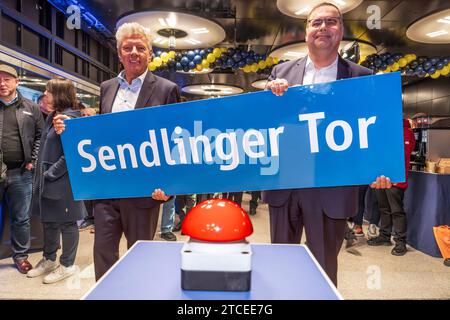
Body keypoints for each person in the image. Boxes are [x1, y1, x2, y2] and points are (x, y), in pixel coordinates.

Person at [262, 2, 391, 286]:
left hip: (331, 189)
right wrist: (268, 98)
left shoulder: (361, 78)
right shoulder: (280, 74)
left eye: (331, 22)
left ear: (341, 30)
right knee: (279, 267)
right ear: (306, 29)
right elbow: (263, 125)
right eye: (316, 22)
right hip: (285, 183)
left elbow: (373, 130)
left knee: (322, 271)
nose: (323, 28)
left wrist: (381, 168)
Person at [53, 22, 178, 281]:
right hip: (107, 190)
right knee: (103, 255)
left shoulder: (167, 89)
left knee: (140, 258)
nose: (134, 52)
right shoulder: (107, 87)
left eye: (140, 47)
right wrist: (70, 126)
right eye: (127, 47)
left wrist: (169, 186)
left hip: (144, 191)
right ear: (119, 54)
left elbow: (174, 142)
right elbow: (101, 133)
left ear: (150, 53)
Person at [26, 79, 86, 283]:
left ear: (59, 93)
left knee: (68, 223)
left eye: (48, 90)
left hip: (63, 182)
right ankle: (49, 259)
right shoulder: (53, 116)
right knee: (49, 221)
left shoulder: (69, 119)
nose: (45, 93)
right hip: (48, 181)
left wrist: (50, 174)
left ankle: (67, 264)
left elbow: (72, 155)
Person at [0, 64, 44, 274]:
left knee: (21, 218)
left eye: (7, 79)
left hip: (21, 173)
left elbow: (40, 136)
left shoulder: (31, 107)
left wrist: (33, 160)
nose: (2, 83)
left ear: (17, 82)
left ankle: (20, 256)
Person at [367, 119, 415, 256]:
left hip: (396, 180)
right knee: (384, 209)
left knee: (396, 211)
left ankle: (400, 241)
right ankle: (384, 236)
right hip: (380, 178)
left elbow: (403, 153)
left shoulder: (406, 131)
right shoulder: (385, 129)